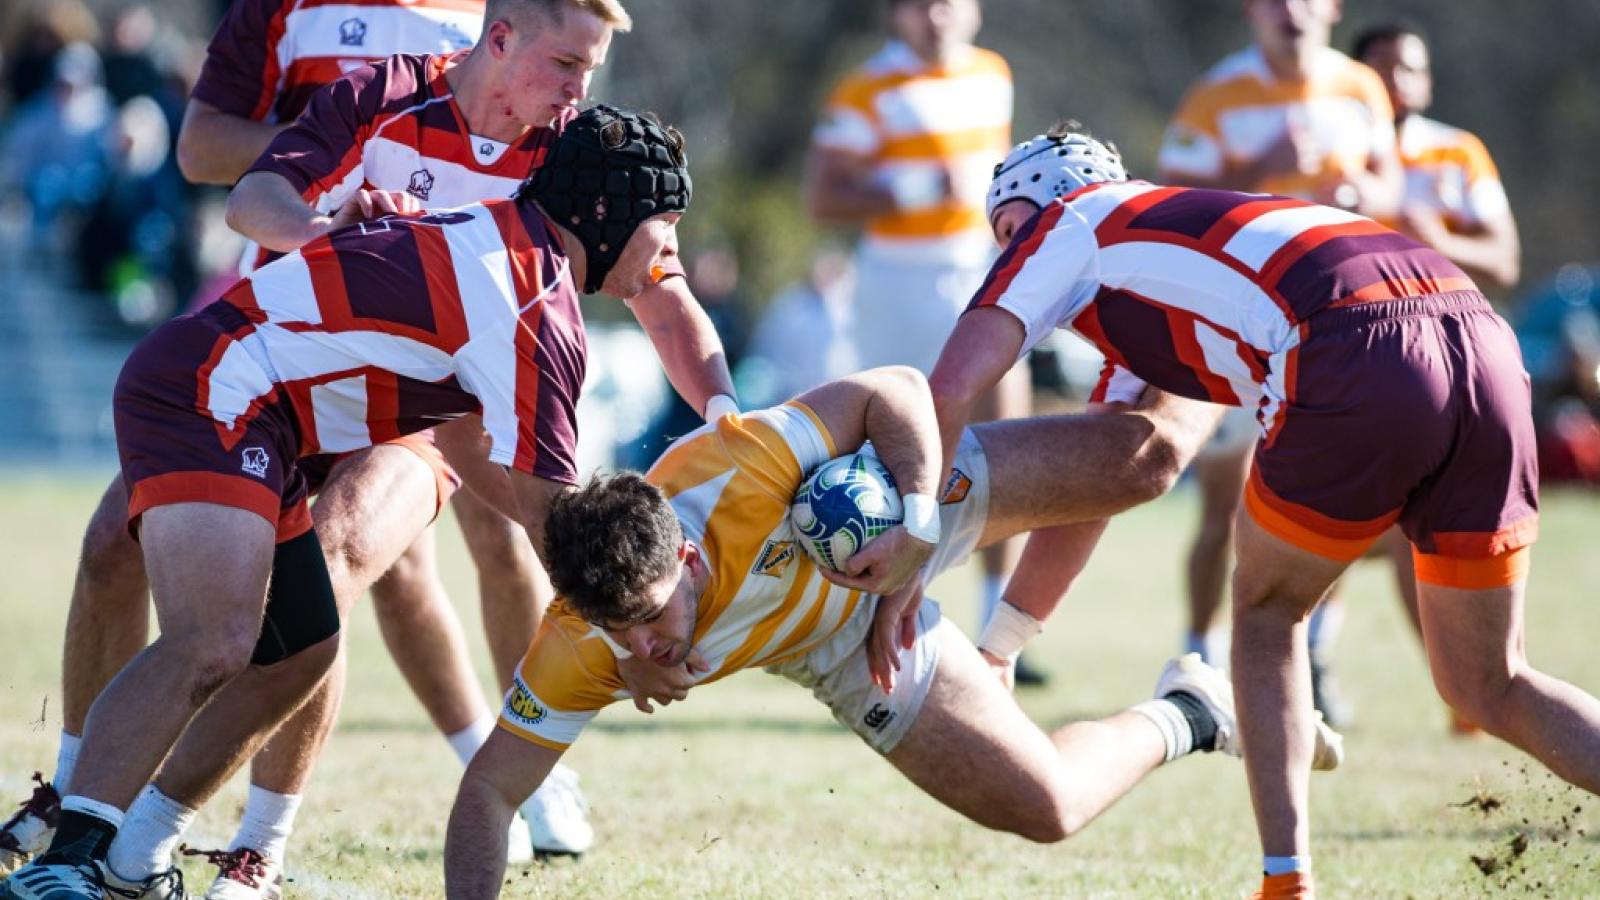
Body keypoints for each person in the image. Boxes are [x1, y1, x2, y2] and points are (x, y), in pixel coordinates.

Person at [0, 0, 692, 888]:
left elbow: (531, 505)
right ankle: (69, 860)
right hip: (218, 391)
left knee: (306, 643)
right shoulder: (530, 303)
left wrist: (633, 618)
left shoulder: (528, 271)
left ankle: (144, 856)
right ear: (606, 214)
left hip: (264, 402)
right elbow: (557, 522)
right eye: (661, 236)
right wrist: (643, 633)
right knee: (216, 637)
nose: (665, 259)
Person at [927, 124, 1600, 899]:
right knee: (1490, 684)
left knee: (1266, 611)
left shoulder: (1069, 223)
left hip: (1357, 341)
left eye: (1005, 229)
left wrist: (912, 526)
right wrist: (1003, 644)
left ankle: (1287, 885)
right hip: (1483, 337)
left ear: (1046, 198)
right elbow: (1095, 491)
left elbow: (950, 385)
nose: (1004, 252)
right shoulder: (1165, 250)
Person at [440, 364, 1347, 899]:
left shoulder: (743, 466)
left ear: (685, 556)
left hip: (886, 508)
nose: (645, 650)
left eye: (649, 621)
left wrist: (913, 523)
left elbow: (897, 388)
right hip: (831, 646)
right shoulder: (584, 636)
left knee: (1145, 462)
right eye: (618, 635)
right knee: (1051, 810)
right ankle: (1192, 710)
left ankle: (1224, 347)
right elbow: (486, 797)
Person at [1155, 0, 1404, 722]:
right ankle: (1195, 654)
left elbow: (1391, 186)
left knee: (1332, 497)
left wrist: (1356, 192)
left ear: (1332, 8)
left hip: (1335, 318)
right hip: (1239, 319)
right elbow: (1170, 205)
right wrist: (1261, 170)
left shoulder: (1360, 87)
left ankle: (1315, 657)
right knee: (1222, 505)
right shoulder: (1216, 95)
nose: (1290, 11)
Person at [806, 0, 1041, 684]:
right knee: (895, 451)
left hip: (982, 273)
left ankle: (999, 636)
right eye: (919, 4)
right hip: (896, 281)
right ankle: (871, 617)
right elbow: (824, 197)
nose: (936, 15)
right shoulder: (867, 87)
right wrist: (912, 188)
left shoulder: (994, 74)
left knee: (1006, 436)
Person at [1349, 20, 1525, 734]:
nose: (1399, 82)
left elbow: (1505, 261)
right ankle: (1463, 690)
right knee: (1384, 531)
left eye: (1411, 69)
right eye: (1383, 69)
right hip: (1359, 360)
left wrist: (1431, 232)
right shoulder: (1335, 153)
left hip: (1463, 358)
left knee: (1452, 530)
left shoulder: (1457, 150)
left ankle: (1477, 683)